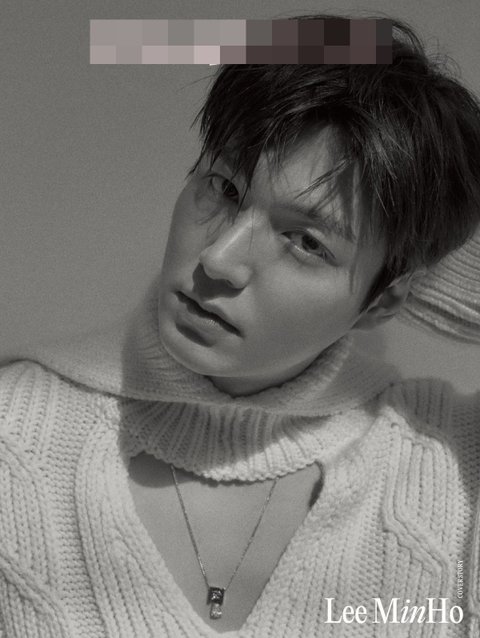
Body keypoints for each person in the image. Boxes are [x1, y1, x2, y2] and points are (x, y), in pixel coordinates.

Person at [1, 13, 480, 638]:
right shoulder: (14, 433)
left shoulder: (453, 460)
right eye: (225, 188)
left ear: (387, 302)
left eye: (305, 242)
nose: (218, 260)